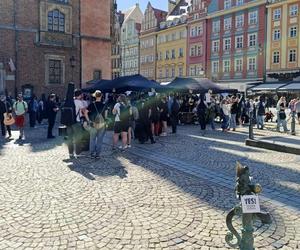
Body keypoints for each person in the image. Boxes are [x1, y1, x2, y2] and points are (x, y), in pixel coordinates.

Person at [85, 90, 107, 158]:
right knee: (100, 140)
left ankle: (92, 154)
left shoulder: (92, 104)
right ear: (101, 96)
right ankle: (98, 155)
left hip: (93, 124)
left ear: (95, 96)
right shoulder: (104, 105)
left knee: (92, 139)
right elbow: (105, 116)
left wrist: (88, 120)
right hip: (102, 124)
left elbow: (85, 112)